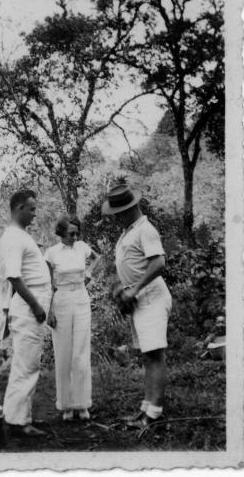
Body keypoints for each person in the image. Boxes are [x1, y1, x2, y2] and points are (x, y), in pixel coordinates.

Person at [0, 189, 51, 437]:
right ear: (19, 208)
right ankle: (19, 423)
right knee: (26, 364)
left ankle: (18, 416)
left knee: (28, 362)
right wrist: (36, 306)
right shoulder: (13, 237)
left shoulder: (21, 235)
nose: (34, 213)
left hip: (35, 304)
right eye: (31, 209)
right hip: (28, 307)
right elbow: (13, 276)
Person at [102, 181, 172, 430]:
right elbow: (132, 267)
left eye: (117, 213)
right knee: (147, 355)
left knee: (155, 354)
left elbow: (159, 263)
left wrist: (135, 288)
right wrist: (122, 288)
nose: (115, 218)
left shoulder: (146, 230)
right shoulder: (128, 232)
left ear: (129, 209)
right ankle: (146, 406)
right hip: (139, 300)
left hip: (152, 297)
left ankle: (155, 413)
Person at [44, 214, 100, 421]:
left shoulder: (82, 246)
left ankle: (82, 403)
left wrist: (88, 275)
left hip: (81, 298)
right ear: (61, 232)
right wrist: (49, 310)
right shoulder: (51, 253)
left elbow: (97, 258)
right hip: (61, 300)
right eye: (71, 233)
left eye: (77, 233)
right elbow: (48, 284)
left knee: (81, 352)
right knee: (64, 352)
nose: (75, 237)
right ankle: (66, 405)